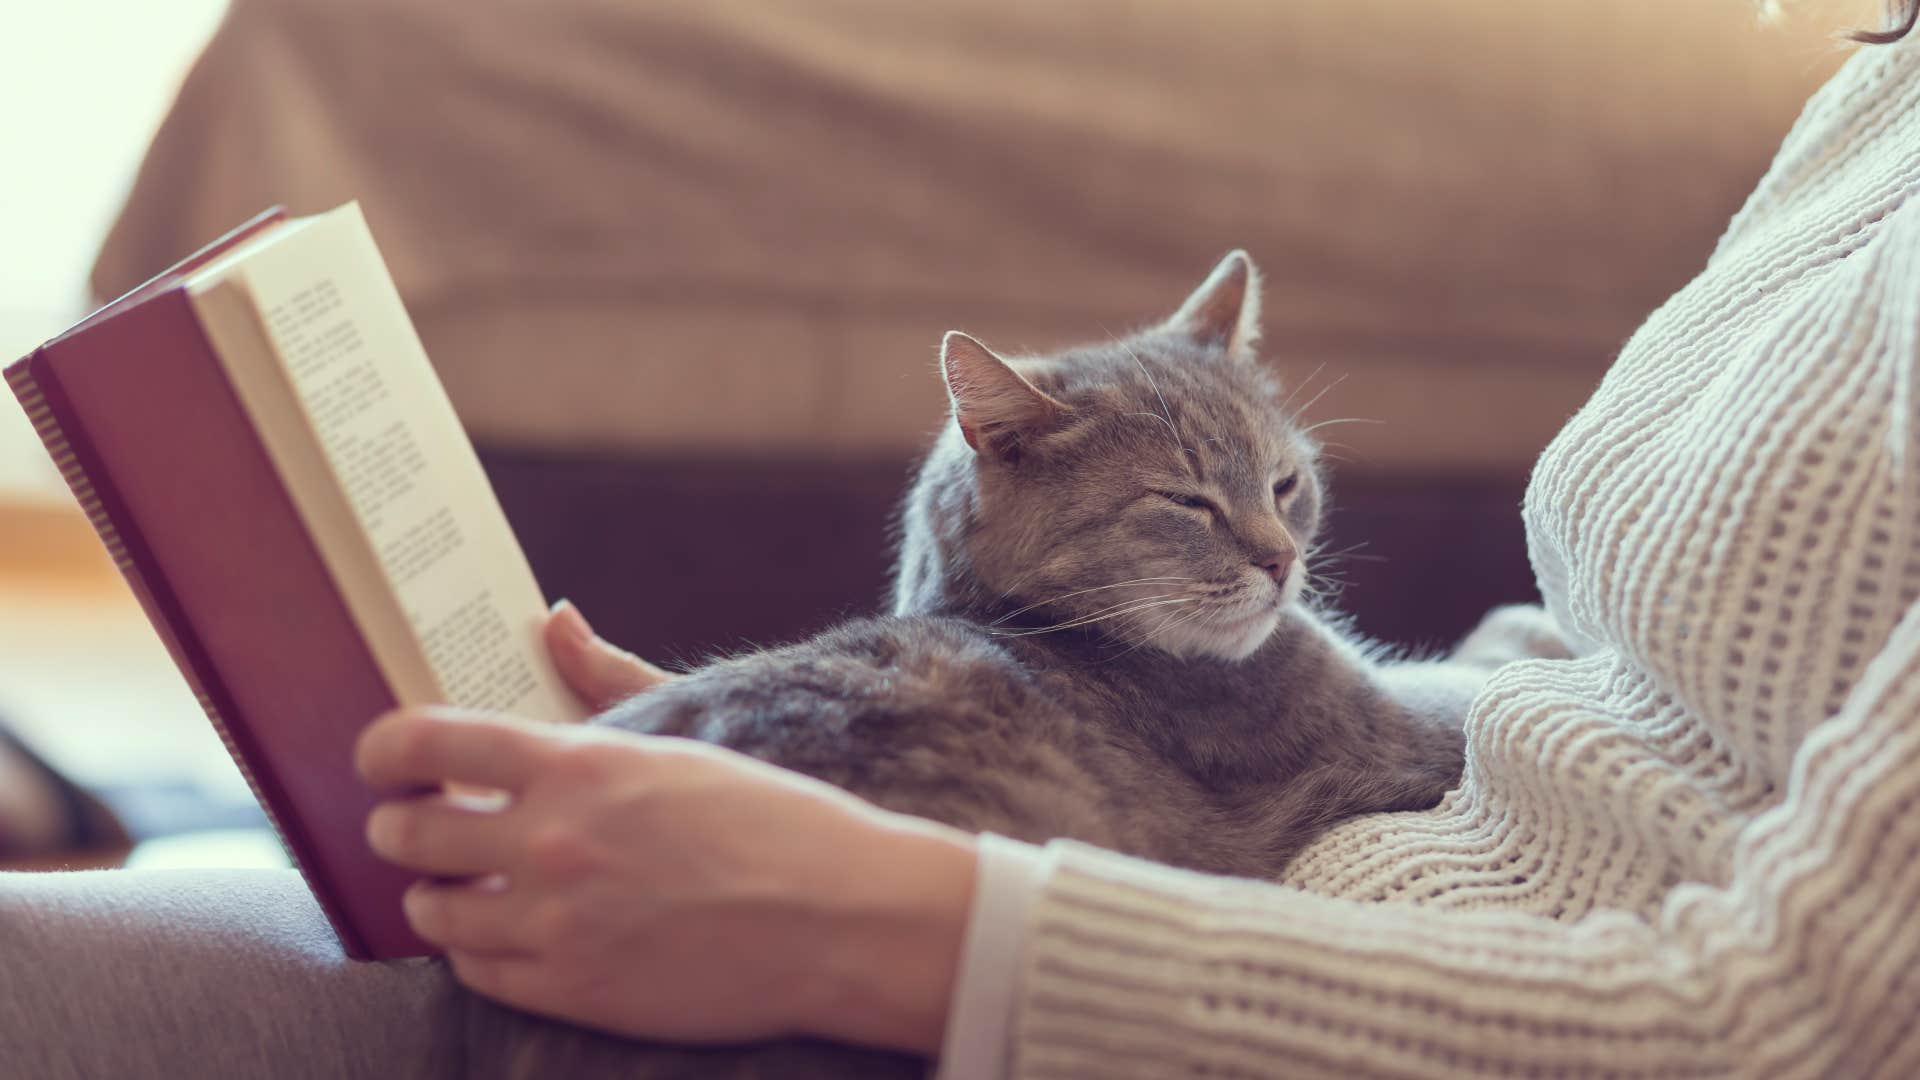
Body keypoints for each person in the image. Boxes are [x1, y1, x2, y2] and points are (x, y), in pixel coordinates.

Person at [5, 5, 1919, 1077]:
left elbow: (1793, 1027)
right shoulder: (1865, 96)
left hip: (1224, 998)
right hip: (1194, 886)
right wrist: (812, 743)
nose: (1271, 548)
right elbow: (1611, 670)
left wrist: (888, 914)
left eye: (1283, 501)